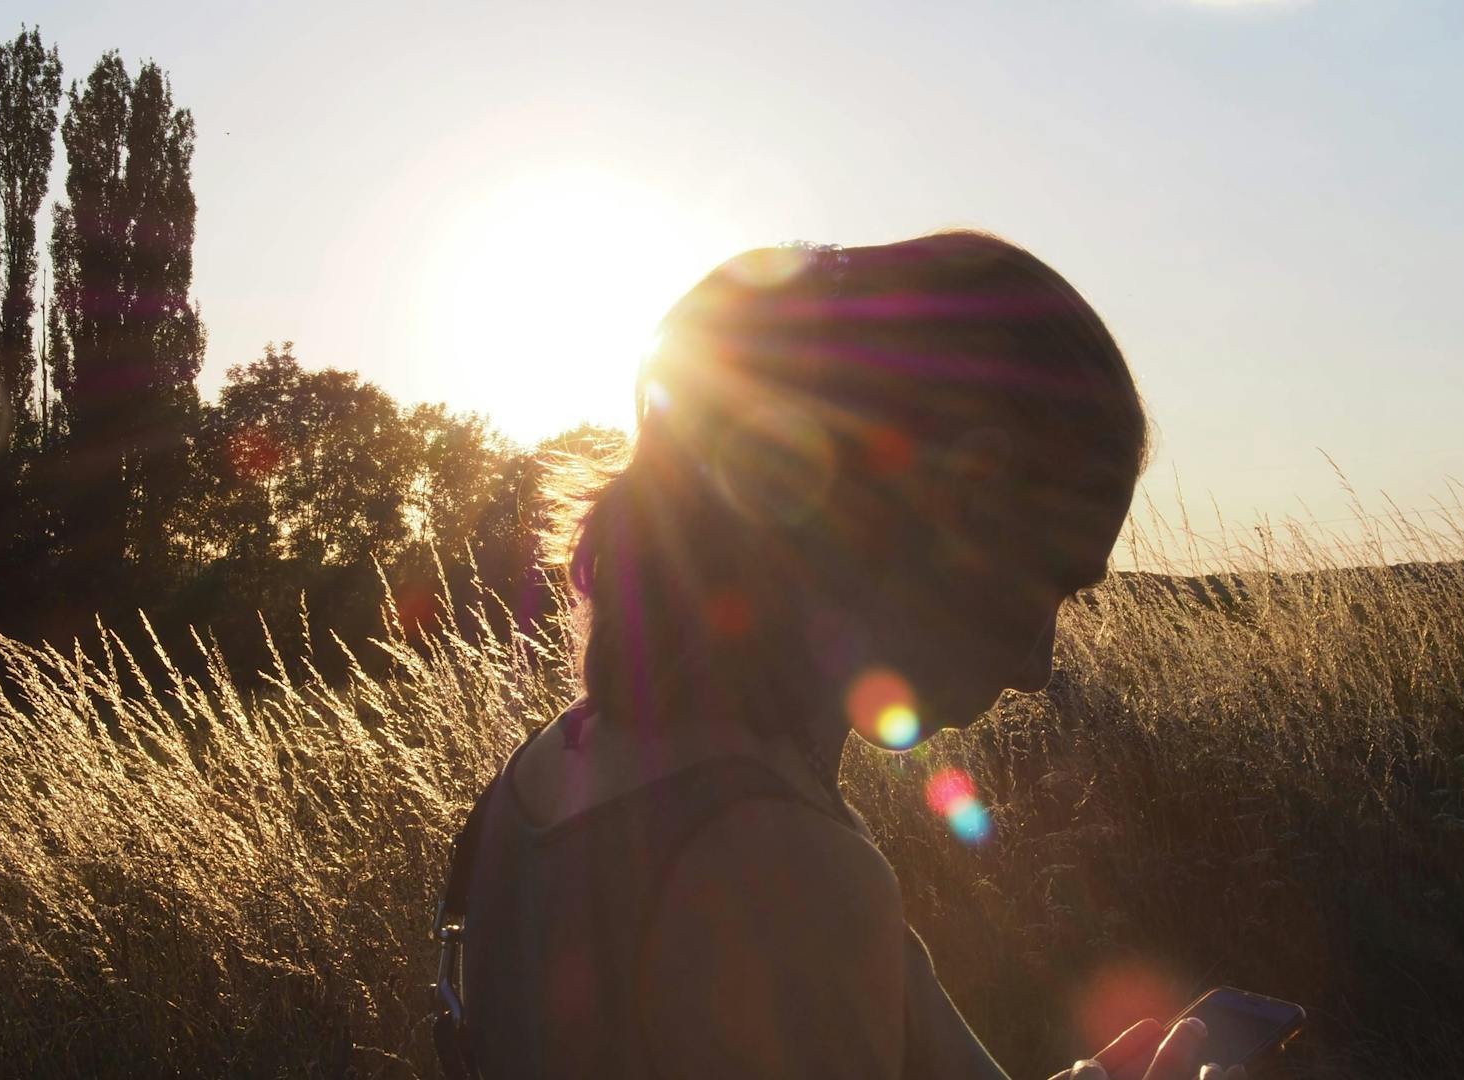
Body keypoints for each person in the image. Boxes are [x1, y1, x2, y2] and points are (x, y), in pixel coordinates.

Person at [454, 231, 1241, 1079]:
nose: (1038, 666)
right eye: (1052, 582)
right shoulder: (784, 873)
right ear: (960, 501)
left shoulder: (536, 783)